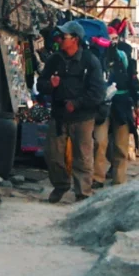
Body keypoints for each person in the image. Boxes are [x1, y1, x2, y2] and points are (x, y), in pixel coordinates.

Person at [37, 21, 106, 203]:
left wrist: (77, 103)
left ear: (75, 39)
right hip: (59, 115)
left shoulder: (90, 61)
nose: (59, 40)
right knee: (53, 154)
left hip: (83, 117)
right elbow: (40, 84)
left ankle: (83, 193)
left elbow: (98, 92)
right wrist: (49, 86)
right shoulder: (54, 60)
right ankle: (61, 185)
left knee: (82, 156)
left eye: (63, 37)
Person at [92, 18, 139, 188]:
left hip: (122, 104)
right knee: (99, 141)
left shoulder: (125, 53)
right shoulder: (96, 53)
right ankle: (97, 178)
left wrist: (137, 104)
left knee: (121, 145)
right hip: (102, 104)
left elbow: (133, 81)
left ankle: (119, 180)